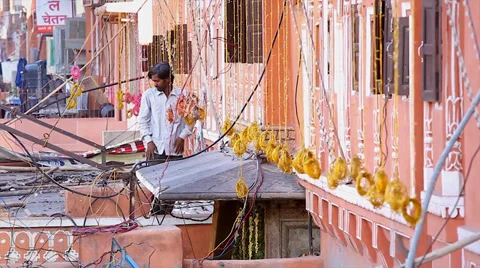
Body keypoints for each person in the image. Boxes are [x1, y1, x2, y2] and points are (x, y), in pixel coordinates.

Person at [138, 62, 192, 162]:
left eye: (157, 81)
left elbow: (191, 118)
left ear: (167, 80)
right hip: (156, 149)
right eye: (153, 81)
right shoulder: (149, 95)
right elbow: (142, 121)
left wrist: (182, 136)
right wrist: (149, 141)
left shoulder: (182, 95)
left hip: (175, 149)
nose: (155, 84)